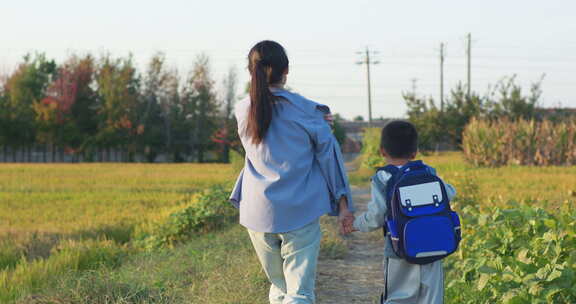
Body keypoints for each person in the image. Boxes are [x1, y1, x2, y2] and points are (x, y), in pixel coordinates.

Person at [229, 40, 354, 304]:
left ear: (251, 72)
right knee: (300, 293)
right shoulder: (308, 110)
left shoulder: (242, 109)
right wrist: (343, 205)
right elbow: (329, 158)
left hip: (257, 211)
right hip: (300, 209)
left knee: (279, 288)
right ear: (286, 71)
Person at [346, 120, 457, 304]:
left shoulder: (382, 178)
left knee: (397, 297)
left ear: (382, 151)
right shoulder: (428, 172)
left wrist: (356, 224)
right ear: (414, 152)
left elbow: (376, 216)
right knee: (432, 298)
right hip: (434, 247)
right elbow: (450, 193)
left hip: (399, 250)